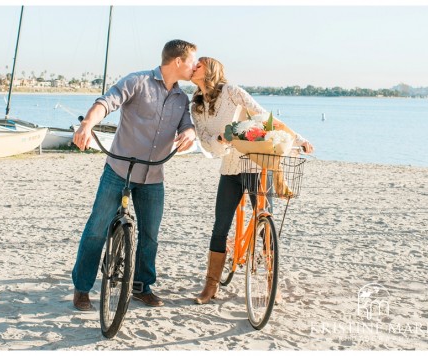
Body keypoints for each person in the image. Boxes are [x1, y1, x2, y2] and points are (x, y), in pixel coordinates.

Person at [71, 39, 198, 310]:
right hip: (118, 171)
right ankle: (82, 288)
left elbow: (187, 125)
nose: (195, 66)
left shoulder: (181, 98)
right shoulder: (137, 81)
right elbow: (106, 102)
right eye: (192, 61)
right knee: (96, 229)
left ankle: (142, 286)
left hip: (154, 177)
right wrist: (86, 125)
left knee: (150, 235)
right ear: (178, 61)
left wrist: (189, 132)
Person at [190, 57, 314, 304]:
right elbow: (205, 141)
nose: (193, 66)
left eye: (199, 64)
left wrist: (299, 140)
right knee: (220, 226)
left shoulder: (232, 92)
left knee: (265, 222)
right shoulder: (196, 106)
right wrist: (220, 141)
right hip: (229, 168)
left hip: (257, 165)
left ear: (211, 70)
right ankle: (211, 285)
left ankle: (271, 282)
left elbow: (264, 116)